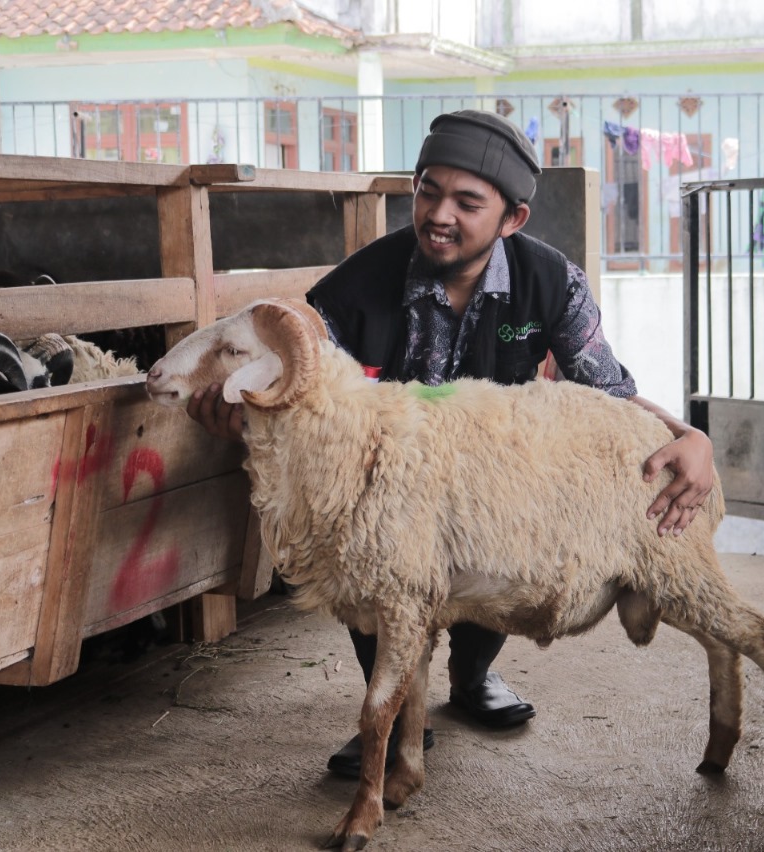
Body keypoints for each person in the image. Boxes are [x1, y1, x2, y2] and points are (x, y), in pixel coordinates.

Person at [186, 109, 715, 779]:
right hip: (387, 484)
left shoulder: (553, 285)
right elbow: (307, 407)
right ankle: (396, 704)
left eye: (467, 202)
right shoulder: (349, 293)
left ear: (511, 219)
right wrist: (242, 421)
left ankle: (470, 678)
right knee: (371, 545)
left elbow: (608, 391)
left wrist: (686, 434)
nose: (439, 214)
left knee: (496, 545)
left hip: (493, 473)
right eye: (428, 191)